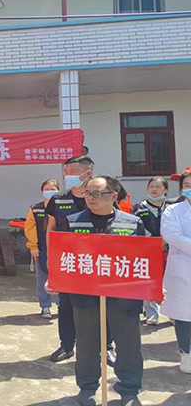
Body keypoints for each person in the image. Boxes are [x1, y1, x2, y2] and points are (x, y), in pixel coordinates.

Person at [63, 175, 146, 406]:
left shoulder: (133, 223)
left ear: (113, 196)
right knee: (87, 344)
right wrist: (55, 280)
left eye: (97, 193)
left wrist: (155, 287)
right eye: (87, 193)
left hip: (124, 295)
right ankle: (87, 387)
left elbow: (144, 259)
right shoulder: (72, 222)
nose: (91, 198)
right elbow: (63, 255)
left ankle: (129, 389)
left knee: (128, 345)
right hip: (85, 294)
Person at [45, 156, 94, 363]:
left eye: (73, 171)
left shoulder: (100, 197)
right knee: (65, 305)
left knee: (100, 305)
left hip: (95, 262)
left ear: (88, 173)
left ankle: (106, 347)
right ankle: (66, 345)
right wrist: (51, 259)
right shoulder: (58, 199)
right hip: (67, 261)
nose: (67, 175)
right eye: (66, 171)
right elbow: (51, 229)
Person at [131, 176, 175, 325]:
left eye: (158, 187)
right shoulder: (139, 208)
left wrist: (166, 239)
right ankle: (151, 313)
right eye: (152, 186)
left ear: (166, 190)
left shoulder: (172, 206)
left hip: (171, 247)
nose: (154, 189)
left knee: (171, 279)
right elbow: (137, 227)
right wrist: (154, 240)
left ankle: (172, 313)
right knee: (149, 279)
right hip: (148, 249)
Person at [161, 170, 191, 374]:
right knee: (184, 314)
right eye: (187, 185)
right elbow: (171, 235)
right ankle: (186, 354)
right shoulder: (172, 211)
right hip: (183, 269)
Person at [24, 179, 60, 319]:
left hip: (60, 248)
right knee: (42, 278)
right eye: (47, 189)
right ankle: (45, 306)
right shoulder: (36, 208)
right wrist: (33, 246)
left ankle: (61, 305)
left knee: (62, 277)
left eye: (53, 189)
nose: (49, 191)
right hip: (42, 247)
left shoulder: (63, 207)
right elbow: (30, 228)